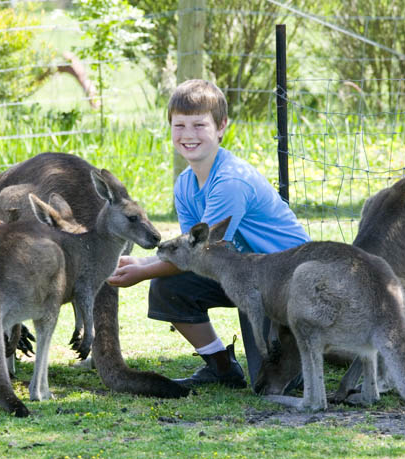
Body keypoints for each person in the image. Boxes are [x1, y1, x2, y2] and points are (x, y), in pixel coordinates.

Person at [107, 79, 310, 390]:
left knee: (270, 382)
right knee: (169, 287)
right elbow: (191, 253)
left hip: (286, 280)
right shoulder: (185, 184)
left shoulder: (230, 181)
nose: (188, 135)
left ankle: (330, 351)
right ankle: (221, 367)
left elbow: (197, 253)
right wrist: (145, 267)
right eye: (180, 125)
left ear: (221, 127)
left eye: (199, 125)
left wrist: (142, 269)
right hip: (240, 274)